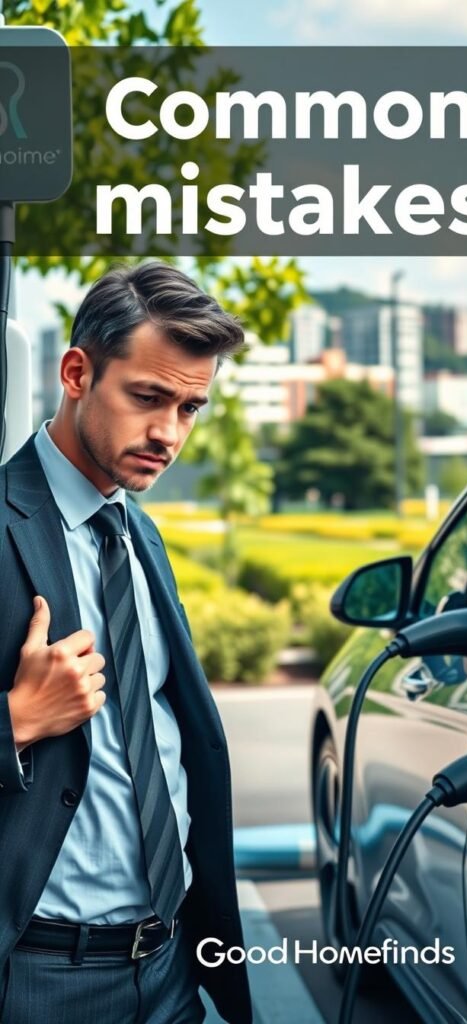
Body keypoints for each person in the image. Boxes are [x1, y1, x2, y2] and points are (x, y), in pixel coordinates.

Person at [0, 261, 253, 1024]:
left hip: (171, 971)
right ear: (77, 372)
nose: (167, 434)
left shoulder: (137, 534)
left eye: (189, 408)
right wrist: (15, 721)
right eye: (147, 397)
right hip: (42, 979)